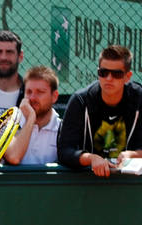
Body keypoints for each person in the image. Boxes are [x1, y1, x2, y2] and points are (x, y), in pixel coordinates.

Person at [58, 44, 142, 176]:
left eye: (117, 74)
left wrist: (133, 154)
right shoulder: (80, 101)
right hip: (88, 180)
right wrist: (90, 158)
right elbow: (64, 151)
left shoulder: (139, 99)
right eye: (103, 73)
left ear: (127, 76)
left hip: (130, 181)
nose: (109, 78)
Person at [3, 66, 60, 165]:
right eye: (29, 92)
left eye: (40, 92)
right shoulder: (10, 124)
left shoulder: (62, 129)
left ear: (54, 96)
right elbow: (13, 157)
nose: (32, 98)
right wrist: (30, 119)